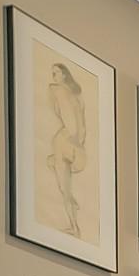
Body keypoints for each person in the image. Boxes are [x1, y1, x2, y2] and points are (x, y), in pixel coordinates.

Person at [45, 62, 89, 239]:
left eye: (56, 73)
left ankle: (74, 227)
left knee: (64, 186)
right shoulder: (76, 95)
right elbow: (81, 127)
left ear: (64, 74)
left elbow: (68, 120)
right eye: (52, 73)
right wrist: (79, 143)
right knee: (64, 184)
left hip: (65, 141)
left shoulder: (58, 91)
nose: (53, 76)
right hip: (73, 143)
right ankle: (73, 216)